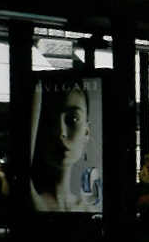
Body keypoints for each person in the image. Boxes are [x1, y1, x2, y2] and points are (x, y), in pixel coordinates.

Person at [30, 79, 99, 212]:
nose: (61, 132)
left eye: (73, 119)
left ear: (87, 131)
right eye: (49, 120)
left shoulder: (89, 209)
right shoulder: (32, 199)